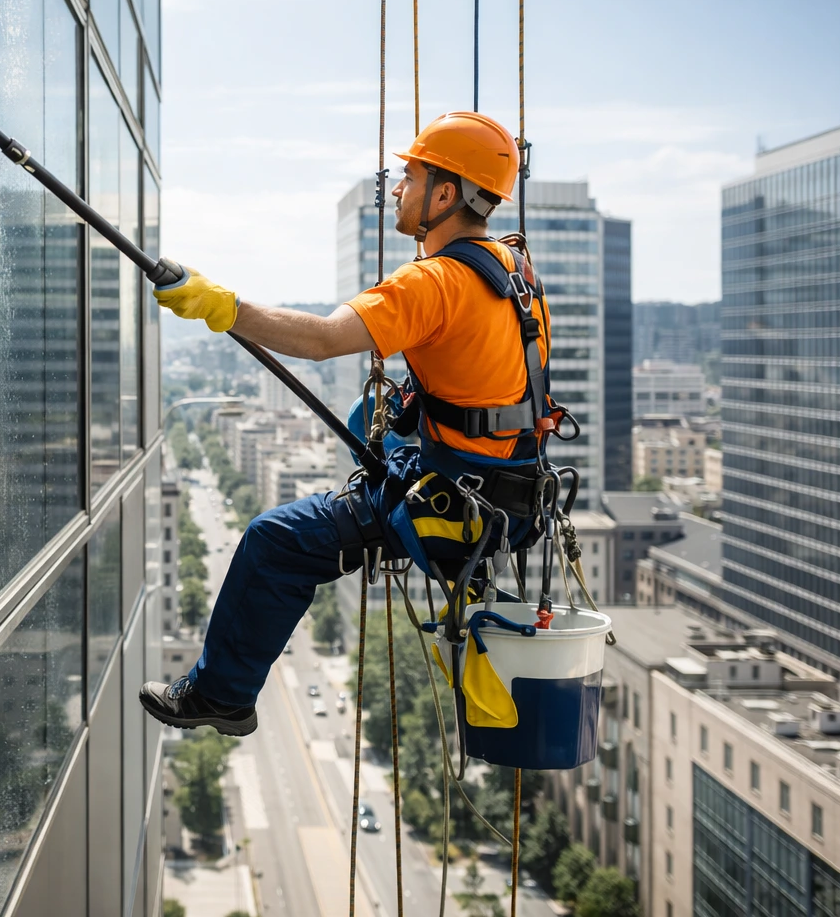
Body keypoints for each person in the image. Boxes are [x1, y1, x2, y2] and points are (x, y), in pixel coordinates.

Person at [139, 112, 561, 736]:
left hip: (456, 504)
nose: (395, 189)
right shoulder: (515, 273)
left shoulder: (435, 280)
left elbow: (322, 338)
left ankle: (222, 695)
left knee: (274, 541)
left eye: (409, 176)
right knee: (370, 418)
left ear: (446, 194)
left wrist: (220, 306)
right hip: (512, 491)